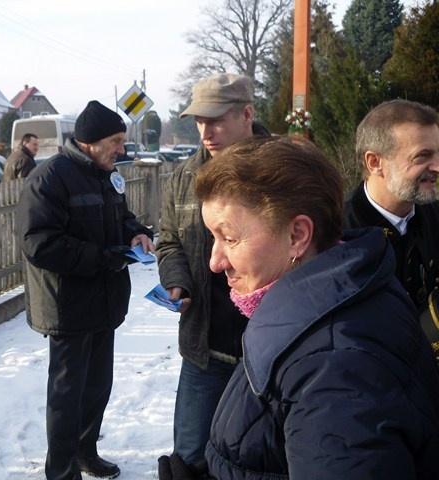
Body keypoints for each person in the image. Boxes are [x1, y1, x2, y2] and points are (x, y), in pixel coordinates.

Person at [160, 136, 439, 479]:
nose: (215, 262)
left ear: (297, 235)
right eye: (213, 238)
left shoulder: (335, 367)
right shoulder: (332, 301)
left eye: (229, 238)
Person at [18, 100, 154, 480]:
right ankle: (61, 471)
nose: (122, 149)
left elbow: (120, 217)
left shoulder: (105, 174)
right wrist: (103, 256)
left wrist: (136, 232)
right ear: (90, 141)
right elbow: (39, 243)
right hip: (68, 306)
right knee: (67, 396)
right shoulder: (50, 178)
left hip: (104, 301)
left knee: (97, 386)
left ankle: (85, 452)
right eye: (115, 141)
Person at [155, 73, 269, 467]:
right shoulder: (184, 176)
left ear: (247, 114)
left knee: (260, 460)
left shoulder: (282, 171)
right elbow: (168, 238)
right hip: (205, 346)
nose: (206, 130)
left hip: (270, 350)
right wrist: (176, 281)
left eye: (216, 119)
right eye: (199, 121)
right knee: (189, 457)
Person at [344, 100, 439, 324]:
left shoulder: (434, 214)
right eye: (422, 156)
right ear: (375, 162)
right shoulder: (335, 235)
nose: (437, 167)